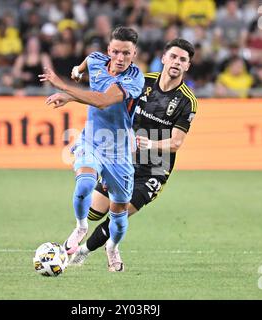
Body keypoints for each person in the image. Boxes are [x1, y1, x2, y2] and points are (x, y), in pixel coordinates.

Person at [68, 38, 198, 269]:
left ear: (187, 66)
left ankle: (90, 250)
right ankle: (108, 241)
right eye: (174, 57)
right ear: (164, 59)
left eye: (183, 59)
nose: (177, 62)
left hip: (155, 168)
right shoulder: (141, 81)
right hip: (122, 158)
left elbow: (176, 143)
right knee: (95, 212)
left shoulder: (187, 101)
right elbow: (108, 91)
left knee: (121, 213)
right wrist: (79, 72)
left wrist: (149, 144)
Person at [38, 27, 145, 272]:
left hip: (118, 151)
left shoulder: (134, 78)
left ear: (134, 53)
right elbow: (88, 61)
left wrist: (66, 89)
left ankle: (112, 246)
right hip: (92, 141)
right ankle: (81, 227)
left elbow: (103, 101)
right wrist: (77, 71)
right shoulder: (97, 59)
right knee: (85, 183)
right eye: (116, 52)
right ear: (109, 50)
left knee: (118, 214)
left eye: (126, 54)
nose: (120, 58)